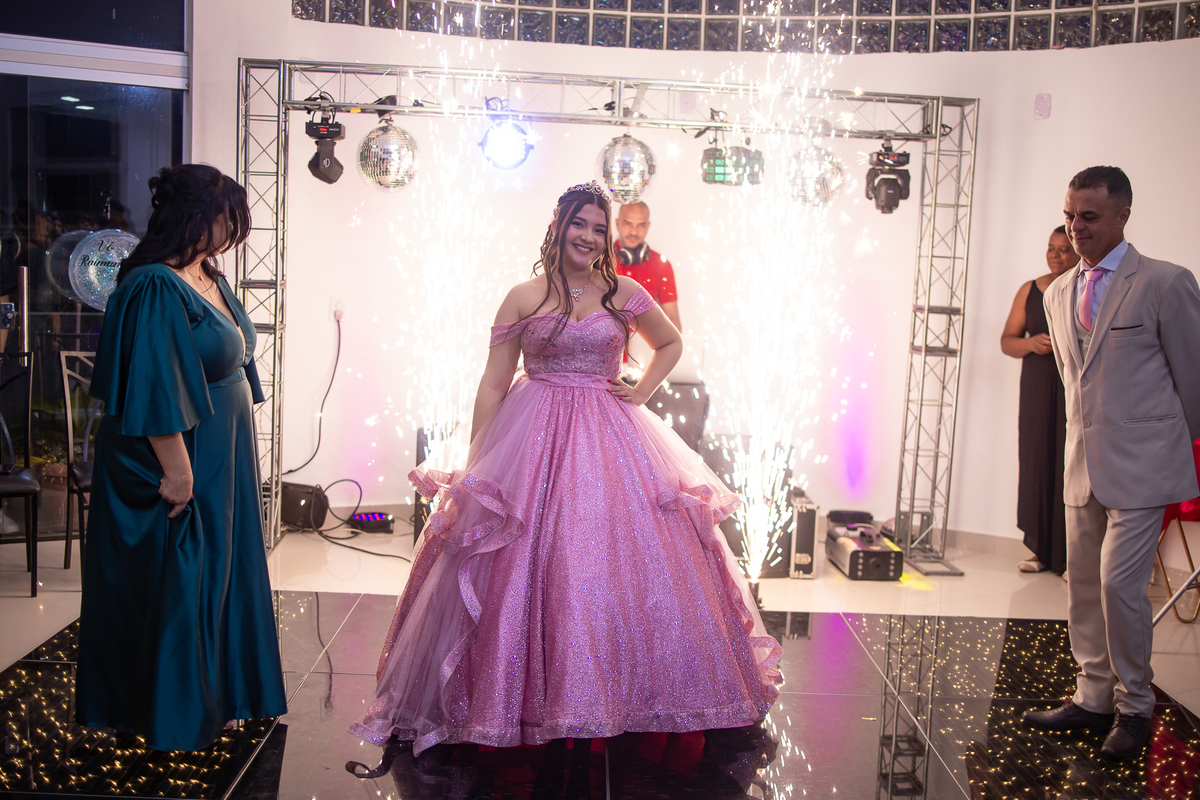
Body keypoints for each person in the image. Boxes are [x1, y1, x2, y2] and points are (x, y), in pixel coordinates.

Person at [349, 182, 781, 759]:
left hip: (609, 436)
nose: (590, 237)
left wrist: (640, 393)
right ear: (557, 226)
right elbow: (494, 381)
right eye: (580, 224)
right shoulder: (523, 296)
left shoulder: (624, 292)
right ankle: (513, 701)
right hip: (532, 433)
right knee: (522, 556)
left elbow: (670, 344)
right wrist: (479, 457)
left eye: (600, 228)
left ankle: (623, 697)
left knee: (615, 558)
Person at [76, 164, 287, 751]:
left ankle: (222, 693)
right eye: (227, 221)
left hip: (219, 448)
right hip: (177, 452)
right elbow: (153, 381)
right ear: (195, 218)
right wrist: (178, 470)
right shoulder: (153, 284)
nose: (232, 234)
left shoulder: (204, 273)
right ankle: (174, 709)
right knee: (182, 578)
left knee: (218, 573)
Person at [1024, 166, 1200, 758]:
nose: (1076, 227)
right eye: (1070, 215)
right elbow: (1073, 380)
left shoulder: (1165, 282)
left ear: (1123, 214)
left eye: (1090, 216)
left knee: (1119, 585)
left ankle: (1135, 706)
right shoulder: (1056, 293)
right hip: (1083, 464)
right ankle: (1092, 695)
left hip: (1143, 467)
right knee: (1081, 587)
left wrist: (1171, 446)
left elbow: (1194, 379)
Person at [1000, 226, 1079, 575]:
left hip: (1073, 387)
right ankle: (1040, 550)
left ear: (1077, 251)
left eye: (1063, 249)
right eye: (1051, 248)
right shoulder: (1029, 290)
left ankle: (1072, 558)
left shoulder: (1085, 288)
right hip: (1036, 388)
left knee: (1071, 466)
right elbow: (1007, 341)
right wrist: (1032, 344)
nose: (1055, 255)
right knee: (1037, 460)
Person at [615, 201, 682, 331]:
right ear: (617, 224)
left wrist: (673, 342)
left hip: (646, 343)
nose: (634, 231)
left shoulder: (662, 265)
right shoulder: (599, 261)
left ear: (648, 227)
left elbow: (672, 316)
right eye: (627, 223)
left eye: (641, 225)